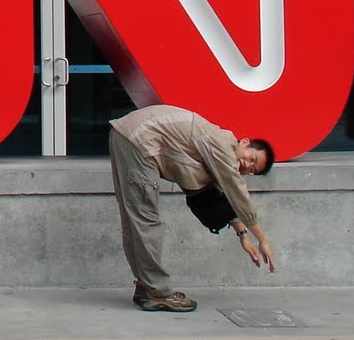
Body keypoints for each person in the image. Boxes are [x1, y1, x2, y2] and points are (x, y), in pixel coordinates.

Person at [107, 104, 277, 313]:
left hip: (131, 137)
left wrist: (243, 234)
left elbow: (220, 194)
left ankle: (147, 287)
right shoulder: (221, 143)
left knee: (137, 220)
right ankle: (157, 292)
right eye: (252, 158)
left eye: (252, 170)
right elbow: (236, 191)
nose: (247, 166)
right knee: (145, 221)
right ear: (244, 142)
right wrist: (262, 239)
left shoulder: (214, 157)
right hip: (137, 140)